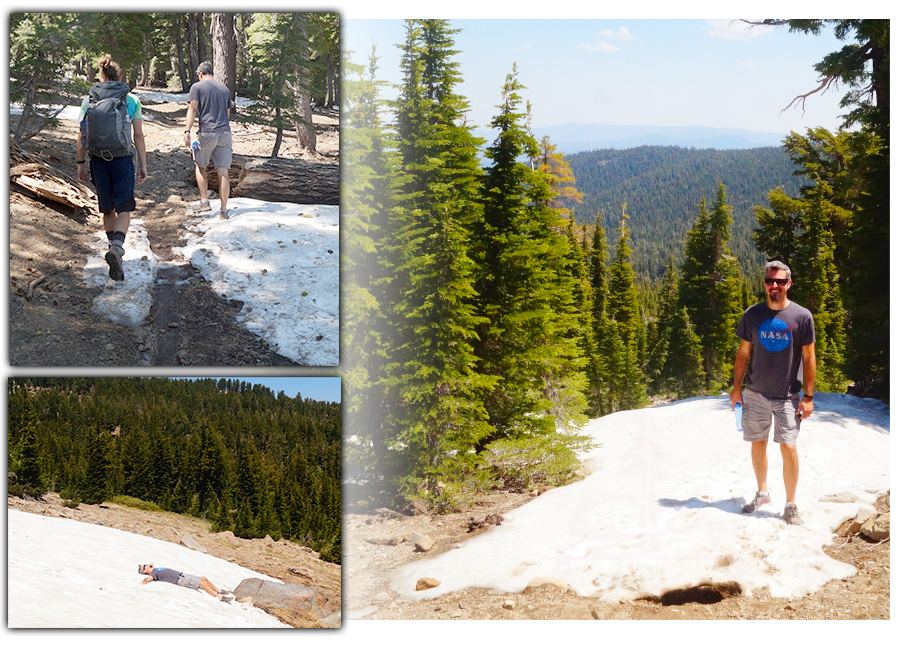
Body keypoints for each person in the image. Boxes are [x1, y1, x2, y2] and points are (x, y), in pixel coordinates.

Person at [730, 260, 816, 525]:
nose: (775, 285)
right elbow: (744, 353)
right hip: (755, 392)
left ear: (789, 283)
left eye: (780, 281)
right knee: (758, 444)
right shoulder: (753, 315)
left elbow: (809, 357)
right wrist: (736, 389)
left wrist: (809, 397)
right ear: (764, 284)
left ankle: (790, 505)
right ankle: (762, 493)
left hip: (788, 396)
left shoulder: (802, 316)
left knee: (788, 447)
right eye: (770, 281)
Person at [76, 54, 148, 282]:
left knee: (107, 209)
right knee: (124, 208)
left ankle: (111, 247)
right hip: (122, 159)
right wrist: (142, 164)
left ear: (100, 76)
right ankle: (117, 248)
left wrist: (81, 164)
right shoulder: (131, 100)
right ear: (119, 77)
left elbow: (80, 135)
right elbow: (138, 135)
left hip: (98, 160)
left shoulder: (88, 100)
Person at [183, 61, 234, 220]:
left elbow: (192, 108)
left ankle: (205, 201)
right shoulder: (224, 89)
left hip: (207, 132)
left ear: (200, 74)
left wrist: (187, 130)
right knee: (223, 171)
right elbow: (227, 114)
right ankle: (224, 211)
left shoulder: (197, 87)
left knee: (200, 166)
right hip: (225, 133)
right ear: (212, 73)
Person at [138, 563, 233, 601]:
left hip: (182, 574)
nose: (146, 564)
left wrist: (150, 566)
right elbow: (149, 578)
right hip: (180, 580)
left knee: (204, 578)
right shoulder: (153, 574)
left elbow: (153, 567)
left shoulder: (155, 569)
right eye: (144, 566)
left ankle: (219, 590)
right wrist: (144, 582)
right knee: (202, 584)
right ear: (145, 571)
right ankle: (220, 597)